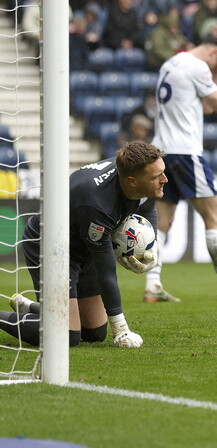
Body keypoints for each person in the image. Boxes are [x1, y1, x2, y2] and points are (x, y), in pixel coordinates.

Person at [1, 142, 166, 348]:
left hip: (84, 244)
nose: (164, 180)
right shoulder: (96, 203)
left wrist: (153, 244)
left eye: (163, 172)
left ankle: (32, 308)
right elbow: (107, 271)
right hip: (51, 246)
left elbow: (148, 205)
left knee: (95, 333)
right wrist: (121, 329)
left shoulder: (135, 172)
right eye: (156, 177)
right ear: (132, 181)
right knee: (67, 335)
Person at [144, 35, 217, 303]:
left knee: (162, 221)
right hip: (185, 150)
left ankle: (152, 285)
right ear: (215, 52)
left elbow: (200, 105)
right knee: (214, 214)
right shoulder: (196, 66)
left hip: (161, 150)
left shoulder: (170, 63)